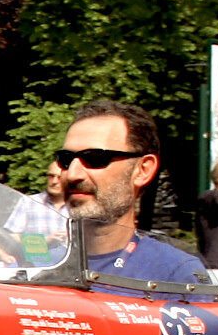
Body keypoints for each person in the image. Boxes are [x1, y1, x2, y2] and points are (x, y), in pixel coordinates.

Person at [57, 100, 208, 286]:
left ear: (143, 170)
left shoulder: (174, 274)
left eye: (95, 158)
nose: (72, 175)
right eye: (65, 159)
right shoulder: (42, 266)